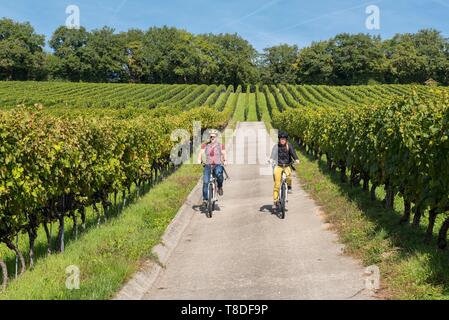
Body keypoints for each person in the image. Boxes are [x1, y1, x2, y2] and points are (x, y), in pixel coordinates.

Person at [269, 131, 299, 212]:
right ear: (279, 139)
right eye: (281, 139)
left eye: (284, 139)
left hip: (287, 165)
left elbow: (293, 153)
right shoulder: (276, 146)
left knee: (289, 176)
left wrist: (296, 159)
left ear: (286, 140)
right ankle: (275, 201)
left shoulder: (289, 146)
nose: (282, 140)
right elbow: (273, 154)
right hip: (278, 166)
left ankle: (289, 187)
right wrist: (271, 159)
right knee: (277, 184)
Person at [197, 129, 227, 206]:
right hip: (208, 165)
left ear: (216, 137)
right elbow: (200, 152)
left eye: (213, 137)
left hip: (217, 164)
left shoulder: (220, 145)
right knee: (206, 181)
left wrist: (225, 160)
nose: (212, 138)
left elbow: (224, 153)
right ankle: (205, 200)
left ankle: (220, 187)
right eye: (211, 137)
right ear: (209, 137)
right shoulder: (205, 145)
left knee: (219, 175)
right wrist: (199, 159)